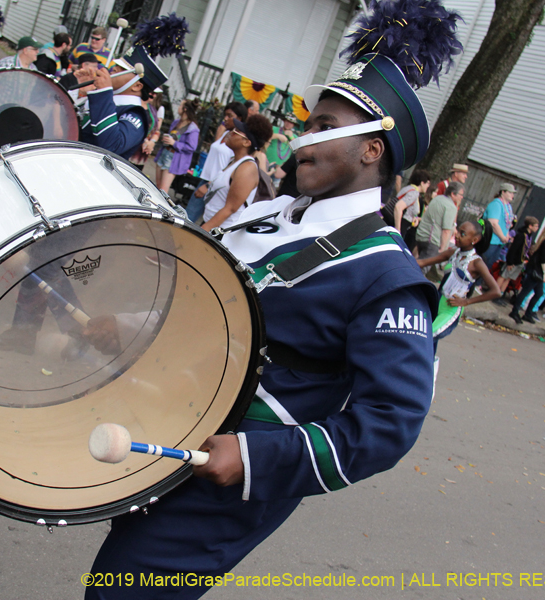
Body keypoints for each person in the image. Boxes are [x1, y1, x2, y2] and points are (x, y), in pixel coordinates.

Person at [83, 1, 460, 594]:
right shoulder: (268, 216)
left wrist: (259, 460)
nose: (303, 141)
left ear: (372, 150)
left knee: (122, 590)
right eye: (307, 126)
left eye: (324, 127)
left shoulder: (386, 274)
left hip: (234, 471)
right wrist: (127, 323)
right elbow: (209, 310)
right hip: (168, 421)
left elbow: (391, 422)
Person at [416, 221, 500, 350]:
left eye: (463, 234)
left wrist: (466, 302)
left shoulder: (477, 263)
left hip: (450, 310)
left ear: (474, 240)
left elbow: (496, 291)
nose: (457, 235)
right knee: (428, 345)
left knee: (424, 339)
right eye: (458, 231)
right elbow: (422, 262)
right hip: (436, 303)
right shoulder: (453, 254)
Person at [75, 46, 167, 160]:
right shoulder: (106, 99)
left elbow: (111, 146)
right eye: (117, 65)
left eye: (123, 69)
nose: (115, 68)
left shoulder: (135, 115)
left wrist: (103, 93)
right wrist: (83, 93)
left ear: (137, 86)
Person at [200, 114, 272, 231]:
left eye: (236, 132)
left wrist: (203, 229)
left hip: (220, 232)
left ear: (246, 142)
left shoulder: (247, 168)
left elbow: (231, 208)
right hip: (211, 226)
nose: (230, 133)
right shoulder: (235, 161)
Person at [509, 219, 545, 324]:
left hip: (538, 272)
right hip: (536, 271)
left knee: (539, 293)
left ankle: (528, 313)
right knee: (525, 291)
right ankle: (514, 311)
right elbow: (543, 258)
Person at [154, 99, 201, 193]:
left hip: (174, 158)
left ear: (185, 109)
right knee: (157, 185)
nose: (178, 108)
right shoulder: (176, 122)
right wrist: (166, 139)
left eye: (180, 106)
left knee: (163, 189)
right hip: (164, 153)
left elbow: (191, 147)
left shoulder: (193, 129)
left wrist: (174, 143)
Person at [493, 216, 539, 304]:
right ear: (530, 226)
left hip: (519, 261)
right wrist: (510, 262)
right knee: (503, 276)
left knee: (508, 278)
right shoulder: (521, 235)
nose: (537, 228)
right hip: (513, 261)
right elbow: (513, 249)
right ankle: (494, 294)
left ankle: (500, 295)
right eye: (536, 226)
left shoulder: (529, 236)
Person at [416, 181, 464, 261]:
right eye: (461, 194)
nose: (462, 197)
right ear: (453, 194)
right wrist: (443, 249)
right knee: (423, 266)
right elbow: (446, 230)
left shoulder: (437, 199)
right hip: (433, 241)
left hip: (421, 236)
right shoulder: (451, 207)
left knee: (420, 261)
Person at [382, 168, 430, 235]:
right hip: (401, 225)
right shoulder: (414, 193)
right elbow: (398, 207)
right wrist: (397, 230)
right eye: (428, 183)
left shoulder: (408, 188)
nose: (428, 185)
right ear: (422, 183)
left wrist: (414, 218)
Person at [482, 183, 517, 272]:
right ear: (503, 192)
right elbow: (493, 223)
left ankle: (479, 281)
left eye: (513, 193)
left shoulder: (508, 206)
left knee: (489, 265)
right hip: (490, 240)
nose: (512, 195)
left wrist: (507, 235)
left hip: (499, 243)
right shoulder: (496, 204)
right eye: (510, 192)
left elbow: (507, 223)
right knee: (482, 263)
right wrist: (502, 237)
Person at [128, 88, 162, 169]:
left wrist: (152, 142)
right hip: (129, 150)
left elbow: (156, 130)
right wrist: (144, 140)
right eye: (152, 92)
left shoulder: (153, 110)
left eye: (156, 93)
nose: (154, 95)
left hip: (141, 155)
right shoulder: (133, 104)